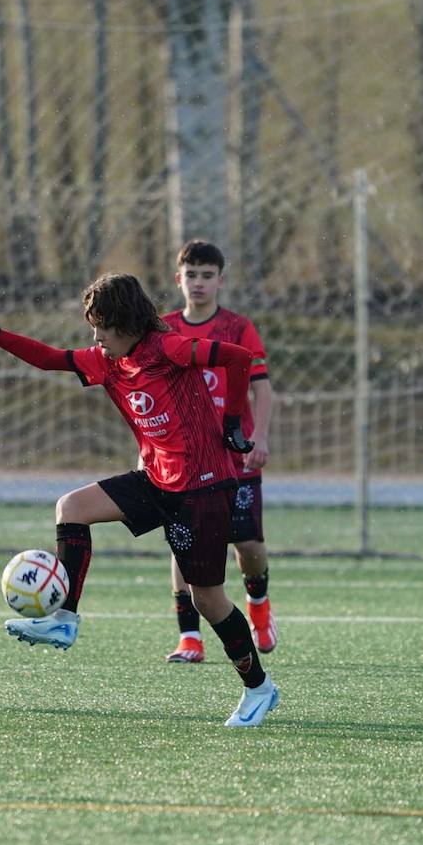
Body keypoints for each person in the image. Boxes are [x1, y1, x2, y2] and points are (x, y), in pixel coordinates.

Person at [0, 274, 280, 727]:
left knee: (207, 599)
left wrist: (232, 421)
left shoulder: (168, 349)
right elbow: (50, 358)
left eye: (102, 328)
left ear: (127, 323)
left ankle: (259, 688)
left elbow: (238, 358)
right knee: (71, 508)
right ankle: (65, 619)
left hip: (204, 488)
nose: (96, 338)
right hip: (158, 480)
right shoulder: (109, 361)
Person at [161, 240, 277, 663]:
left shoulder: (237, 328)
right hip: (185, 458)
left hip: (235, 455)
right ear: (179, 279)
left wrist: (259, 437)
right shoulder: (165, 329)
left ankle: (259, 605)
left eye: (207, 275)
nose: (198, 283)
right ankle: (189, 638)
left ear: (220, 281)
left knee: (247, 544)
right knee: (183, 544)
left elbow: (261, 388)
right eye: (191, 274)